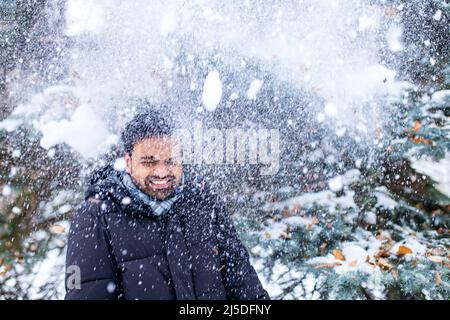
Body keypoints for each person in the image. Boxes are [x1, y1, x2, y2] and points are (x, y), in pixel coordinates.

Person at [65, 105, 269, 300]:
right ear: (128, 162)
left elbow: (244, 283)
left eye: (171, 161)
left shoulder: (205, 203)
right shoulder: (96, 215)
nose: (162, 172)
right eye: (149, 162)